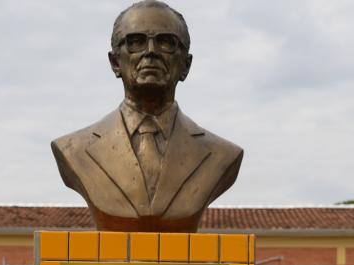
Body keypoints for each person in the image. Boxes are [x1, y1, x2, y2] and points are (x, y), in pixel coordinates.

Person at [52, 0, 243, 233]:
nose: (150, 51)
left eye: (166, 42)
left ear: (186, 65)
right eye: (135, 42)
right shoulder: (74, 149)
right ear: (114, 62)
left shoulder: (222, 155)